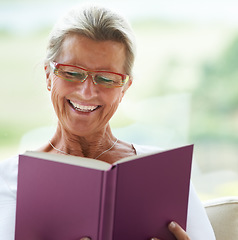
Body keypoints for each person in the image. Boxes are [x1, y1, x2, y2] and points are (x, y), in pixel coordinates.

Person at [0, 4, 215, 240]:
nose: (87, 92)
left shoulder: (167, 177)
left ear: (124, 88)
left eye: (106, 78)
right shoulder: (8, 180)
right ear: (49, 75)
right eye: (72, 72)